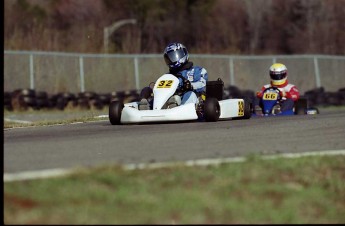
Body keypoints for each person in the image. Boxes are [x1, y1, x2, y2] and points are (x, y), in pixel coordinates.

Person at [139, 42, 208, 110]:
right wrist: (155, 87)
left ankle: (176, 106)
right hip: (170, 98)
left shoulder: (198, 71)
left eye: (175, 56)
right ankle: (146, 105)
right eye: (170, 58)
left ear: (183, 54)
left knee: (190, 94)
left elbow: (203, 84)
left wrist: (191, 85)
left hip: (192, 97)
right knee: (146, 90)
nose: (173, 60)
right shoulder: (168, 75)